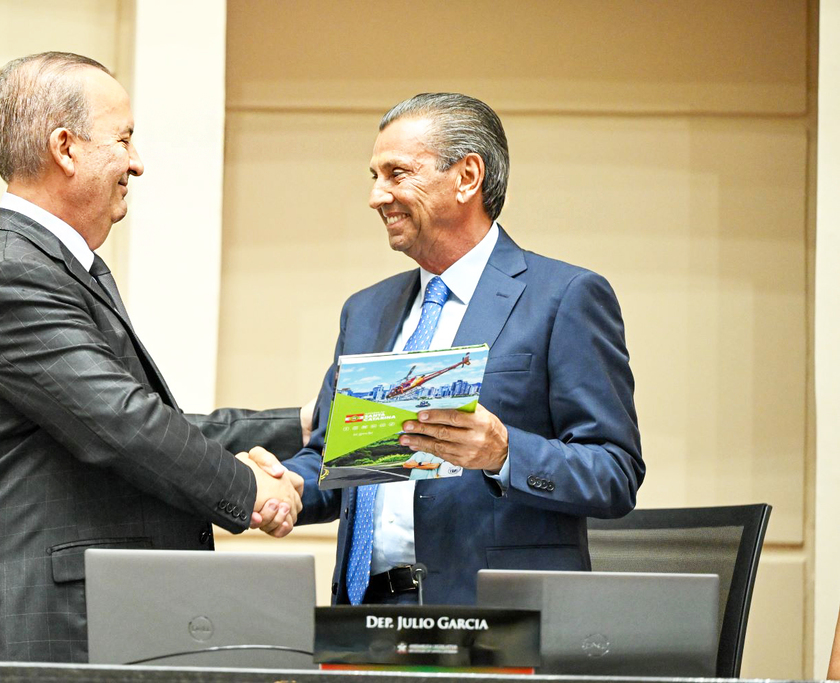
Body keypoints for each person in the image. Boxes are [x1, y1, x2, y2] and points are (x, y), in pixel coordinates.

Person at [0, 51, 303, 662]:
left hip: (91, 618)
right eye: (124, 138)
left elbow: (139, 419)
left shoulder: (51, 267)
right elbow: (125, 424)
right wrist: (250, 488)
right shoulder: (12, 277)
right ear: (65, 147)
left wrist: (305, 424)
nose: (136, 161)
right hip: (45, 629)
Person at [257, 93, 644, 606]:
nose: (377, 196)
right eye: (374, 176)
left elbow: (614, 474)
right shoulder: (366, 311)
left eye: (397, 174)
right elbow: (342, 462)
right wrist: (290, 487)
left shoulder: (564, 297)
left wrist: (504, 453)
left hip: (493, 621)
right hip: (363, 615)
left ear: (467, 177)